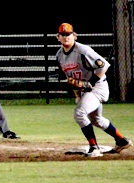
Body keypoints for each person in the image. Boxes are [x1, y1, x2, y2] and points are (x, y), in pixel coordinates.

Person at [55, 22, 133, 157]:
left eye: (68, 34)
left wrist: (90, 83)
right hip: (86, 90)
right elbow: (71, 78)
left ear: (74, 36)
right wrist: (78, 95)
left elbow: (103, 66)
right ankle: (122, 141)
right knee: (96, 119)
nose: (66, 37)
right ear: (58, 37)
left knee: (79, 114)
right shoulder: (59, 55)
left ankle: (94, 148)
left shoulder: (83, 50)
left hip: (98, 87)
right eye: (63, 35)